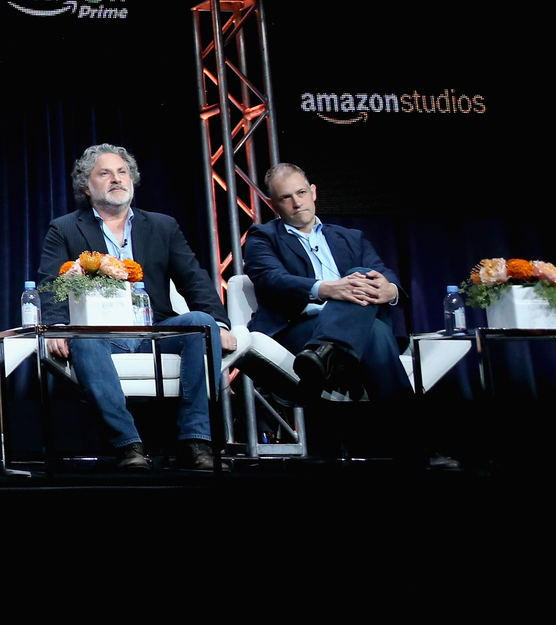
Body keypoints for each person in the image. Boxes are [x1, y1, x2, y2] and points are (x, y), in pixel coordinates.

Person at [37, 143, 235, 472]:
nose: (116, 179)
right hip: (102, 335)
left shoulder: (162, 226)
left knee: (200, 324)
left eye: (122, 172)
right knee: (82, 337)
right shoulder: (66, 228)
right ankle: (128, 445)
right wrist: (57, 326)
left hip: (156, 331)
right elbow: (50, 282)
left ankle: (196, 441)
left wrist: (218, 322)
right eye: (105, 173)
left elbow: (194, 279)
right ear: (87, 187)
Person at [242, 162, 411, 406]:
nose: (297, 203)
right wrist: (327, 289)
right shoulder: (262, 237)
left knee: (363, 278)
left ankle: (326, 351)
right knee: (376, 332)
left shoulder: (351, 237)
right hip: (298, 328)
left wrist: (391, 290)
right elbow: (272, 279)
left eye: (301, 193)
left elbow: (384, 274)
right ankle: (413, 437)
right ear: (272, 204)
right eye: (286, 198)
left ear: (313, 192)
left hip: (324, 345)